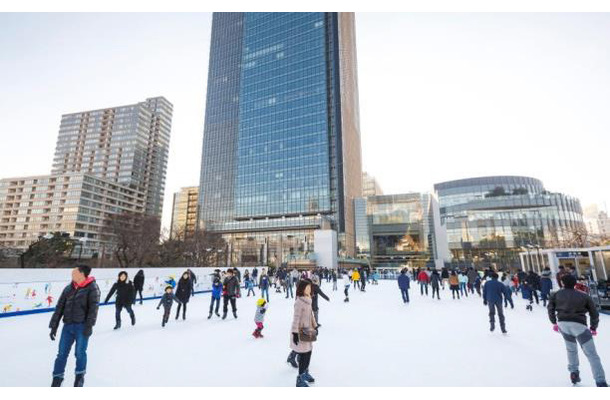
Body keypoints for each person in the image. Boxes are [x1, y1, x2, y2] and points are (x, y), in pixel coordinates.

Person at [548, 274, 607, 387]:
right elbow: (594, 313)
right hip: (579, 325)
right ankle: (600, 381)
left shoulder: (556, 294)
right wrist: (593, 327)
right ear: (575, 283)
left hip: (563, 325)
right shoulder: (584, 296)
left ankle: (574, 373)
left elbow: (550, 308)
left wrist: (554, 322)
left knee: (571, 350)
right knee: (591, 354)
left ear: (563, 283)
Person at [49, 265, 100, 387]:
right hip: (67, 326)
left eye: (74, 273)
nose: (72, 275)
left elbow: (94, 309)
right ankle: (57, 377)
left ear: (82, 274)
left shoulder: (92, 288)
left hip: (81, 326)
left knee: (80, 353)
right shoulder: (69, 288)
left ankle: (79, 377)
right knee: (61, 354)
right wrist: (54, 325)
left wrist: (89, 326)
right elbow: (59, 307)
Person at [290, 280, 318, 387]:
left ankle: (305, 372)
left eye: (310, 288)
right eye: (307, 288)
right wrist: (295, 333)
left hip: (309, 330)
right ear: (302, 289)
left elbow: (311, 315)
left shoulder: (308, 300)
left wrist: (315, 326)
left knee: (309, 352)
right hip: (301, 332)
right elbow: (296, 319)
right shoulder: (299, 302)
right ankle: (300, 378)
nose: (310, 289)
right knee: (304, 355)